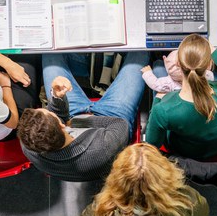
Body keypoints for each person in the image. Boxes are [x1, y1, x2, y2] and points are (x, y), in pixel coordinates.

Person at [17, 52, 149, 181]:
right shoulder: (101, 149)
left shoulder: (30, 143)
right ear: (62, 126)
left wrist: (57, 98)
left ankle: (92, 64)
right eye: (50, 111)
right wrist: (77, 122)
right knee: (140, 55)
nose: (49, 108)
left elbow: (60, 119)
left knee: (50, 52)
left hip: (72, 116)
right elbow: (120, 124)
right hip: (111, 119)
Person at [69, 143, 209, 216]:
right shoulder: (186, 200)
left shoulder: (103, 214)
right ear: (165, 173)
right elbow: (203, 215)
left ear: (117, 179)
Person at [145, 34, 217, 161]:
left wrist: (157, 99)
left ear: (178, 63)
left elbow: (152, 144)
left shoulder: (163, 109)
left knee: (158, 66)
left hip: (183, 151)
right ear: (208, 66)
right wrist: (215, 53)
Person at [141, 49, 214, 93]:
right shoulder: (202, 77)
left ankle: (157, 58)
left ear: (165, 60)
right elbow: (209, 74)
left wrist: (147, 72)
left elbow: (155, 83)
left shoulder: (168, 82)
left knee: (157, 65)